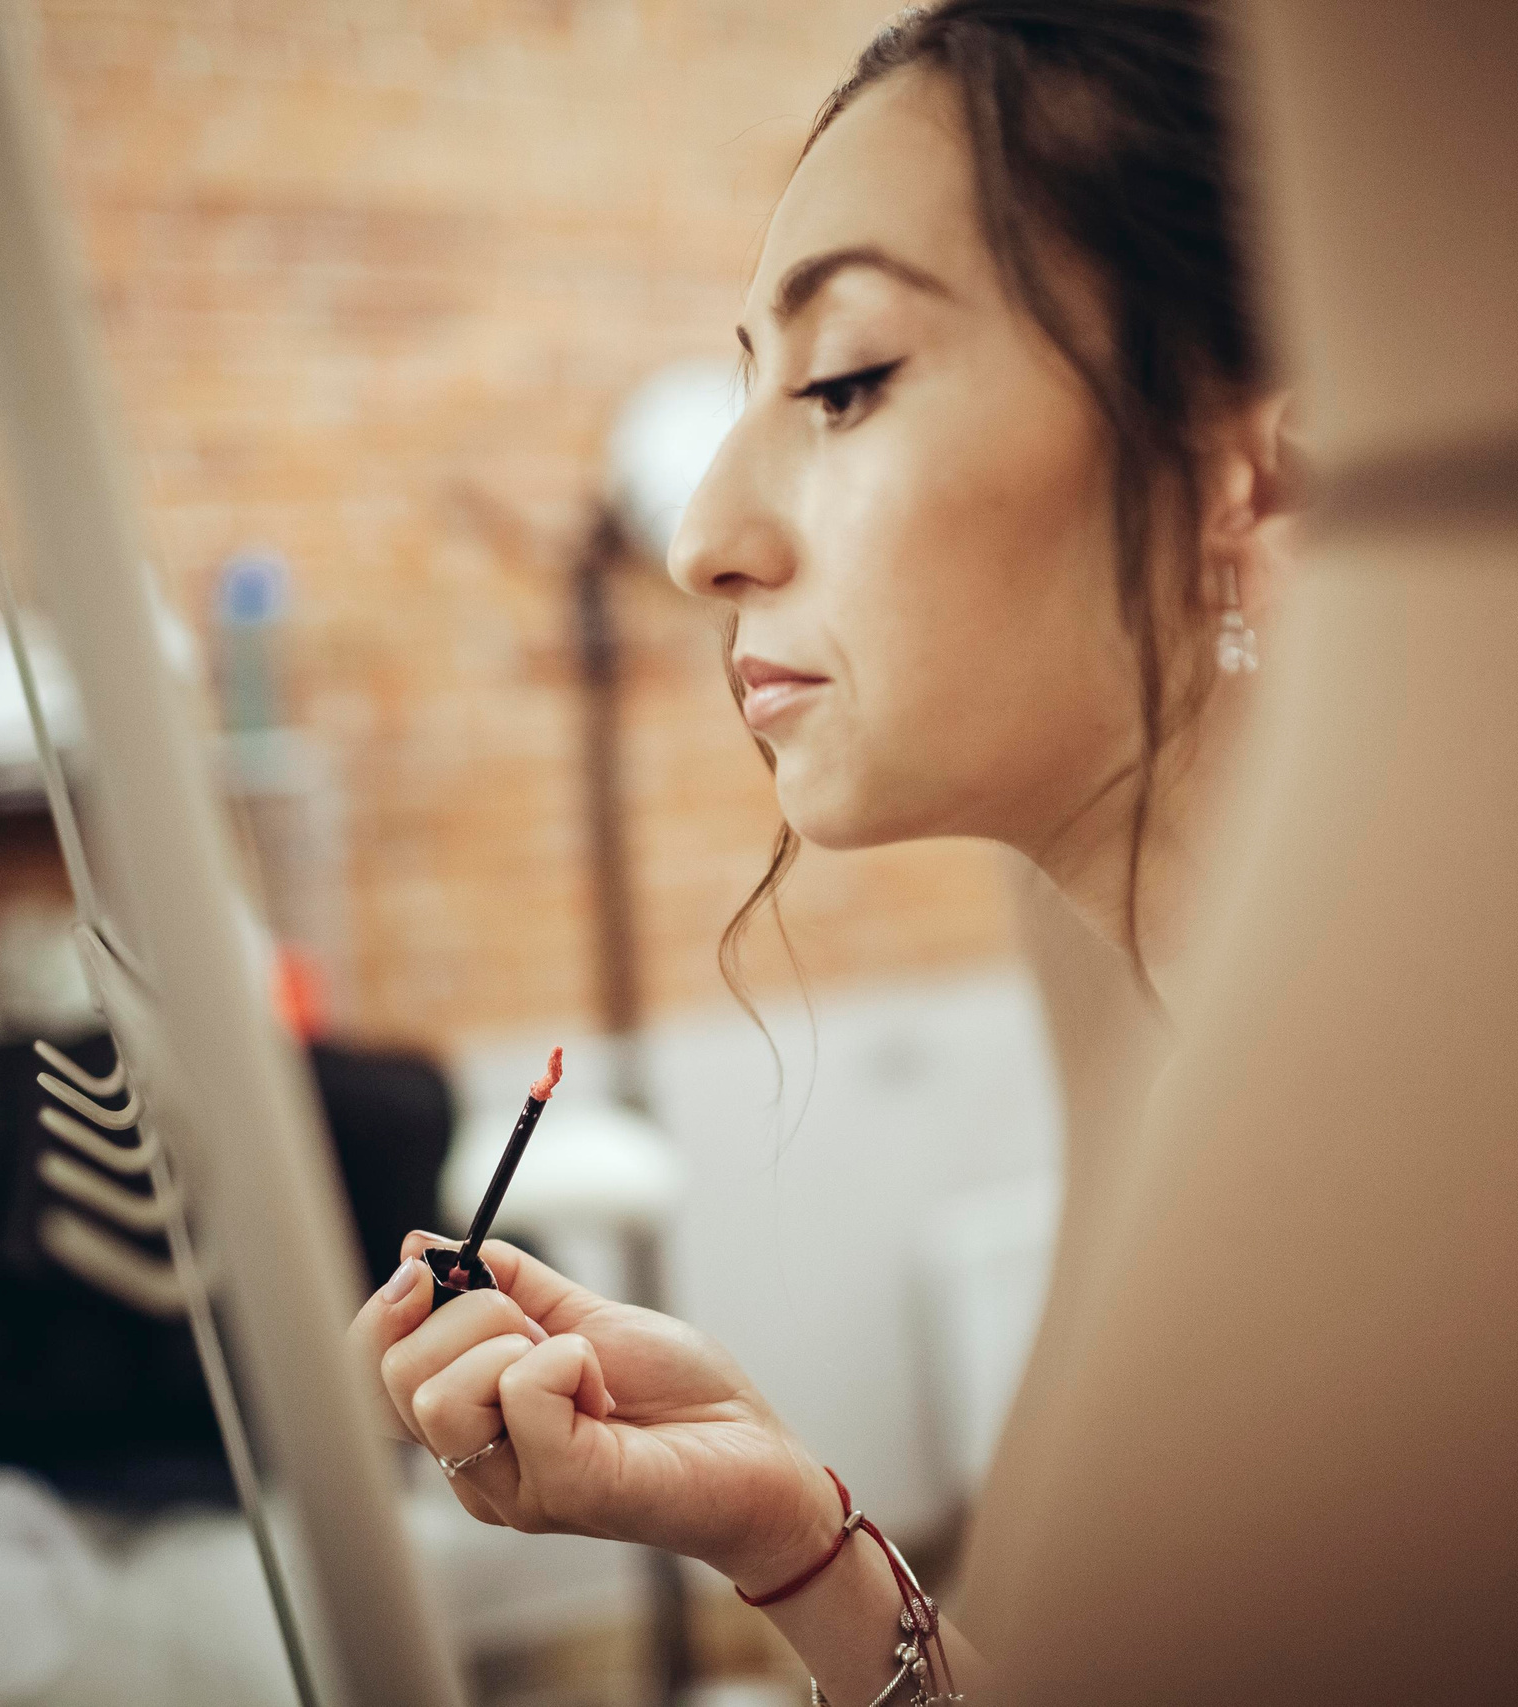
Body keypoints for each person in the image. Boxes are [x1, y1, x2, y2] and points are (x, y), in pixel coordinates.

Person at [347, 4, 1288, 1698]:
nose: (704, 535)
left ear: (1245, 460)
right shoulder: (1173, 1061)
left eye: (846, 379)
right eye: (744, 389)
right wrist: (790, 1539)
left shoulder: (1478, 1209)